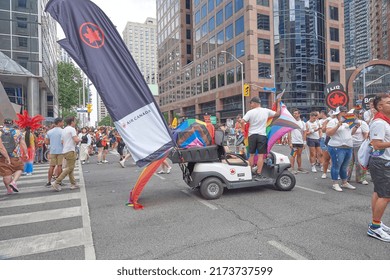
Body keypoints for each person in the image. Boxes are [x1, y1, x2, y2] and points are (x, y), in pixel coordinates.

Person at [366, 93, 390, 242]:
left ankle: (376, 222)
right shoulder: (379, 123)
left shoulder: (385, 122)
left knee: (378, 192)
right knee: (385, 196)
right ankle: (374, 228)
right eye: (389, 102)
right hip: (382, 162)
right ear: (380, 107)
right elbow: (376, 144)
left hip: (383, 161)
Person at [241, 96, 281, 181]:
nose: (250, 105)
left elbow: (242, 121)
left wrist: (243, 128)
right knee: (260, 156)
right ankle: (259, 173)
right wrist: (278, 103)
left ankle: (250, 172)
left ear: (254, 103)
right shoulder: (266, 111)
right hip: (262, 135)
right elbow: (278, 114)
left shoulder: (250, 112)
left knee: (251, 155)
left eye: (251, 103)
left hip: (252, 135)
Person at [326, 106, 356, 192]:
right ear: (339, 113)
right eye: (344, 111)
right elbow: (328, 133)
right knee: (336, 165)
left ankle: (344, 182)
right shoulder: (332, 121)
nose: (346, 113)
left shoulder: (348, 122)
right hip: (337, 147)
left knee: (344, 166)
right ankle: (335, 183)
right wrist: (337, 125)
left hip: (348, 147)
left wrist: (356, 127)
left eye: (346, 111)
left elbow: (351, 133)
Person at [51, 117, 80, 191]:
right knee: (70, 168)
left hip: (65, 150)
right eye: (75, 121)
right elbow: (76, 140)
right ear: (72, 122)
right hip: (70, 150)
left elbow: (62, 142)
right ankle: (57, 182)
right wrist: (80, 139)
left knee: (70, 168)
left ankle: (73, 184)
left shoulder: (64, 130)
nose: (75, 122)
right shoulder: (72, 129)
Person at [0, 118, 28, 194]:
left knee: (6, 173)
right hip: (15, 155)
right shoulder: (18, 132)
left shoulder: (0, 132)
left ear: (4, 123)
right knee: (19, 168)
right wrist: (26, 153)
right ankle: (14, 182)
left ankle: (9, 189)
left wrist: (6, 156)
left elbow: (1, 147)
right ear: (12, 123)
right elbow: (23, 143)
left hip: (1, 156)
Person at [348, 109, 369, 185]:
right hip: (349, 144)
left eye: (351, 114)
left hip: (359, 145)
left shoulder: (362, 123)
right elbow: (349, 133)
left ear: (356, 115)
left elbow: (366, 134)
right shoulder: (348, 122)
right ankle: (346, 178)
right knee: (349, 162)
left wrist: (365, 145)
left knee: (359, 162)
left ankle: (360, 178)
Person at [287, 109, 308, 174]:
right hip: (294, 142)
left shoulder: (303, 123)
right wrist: (290, 142)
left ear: (299, 114)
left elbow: (304, 133)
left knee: (299, 155)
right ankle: (292, 168)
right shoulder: (291, 122)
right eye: (294, 113)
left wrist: (304, 142)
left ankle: (299, 167)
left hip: (300, 142)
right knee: (293, 155)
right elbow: (289, 133)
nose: (294, 114)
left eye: (296, 113)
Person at [45, 118, 64, 187]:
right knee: (60, 166)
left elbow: (46, 142)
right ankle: (59, 181)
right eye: (62, 122)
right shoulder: (63, 131)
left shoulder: (49, 132)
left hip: (52, 151)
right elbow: (63, 141)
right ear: (59, 123)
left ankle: (49, 181)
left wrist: (52, 142)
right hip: (61, 150)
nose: (63, 123)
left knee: (51, 166)